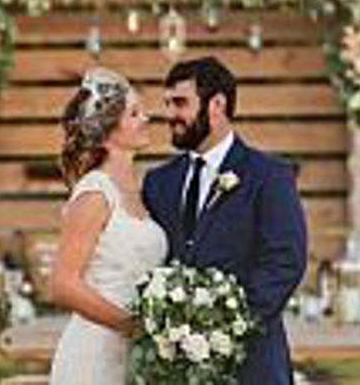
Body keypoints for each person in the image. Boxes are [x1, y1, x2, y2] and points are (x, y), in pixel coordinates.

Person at [143, 56, 307, 385]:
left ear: (216, 105)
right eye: (167, 104)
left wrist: (222, 328)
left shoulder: (269, 176)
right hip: (174, 368)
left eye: (180, 103)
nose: (170, 115)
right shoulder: (158, 182)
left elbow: (285, 262)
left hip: (253, 363)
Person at [49, 67, 167, 384]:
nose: (147, 118)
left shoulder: (139, 192)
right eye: (134, 113)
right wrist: (131, 325)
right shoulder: (95, 193)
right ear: (109, 129)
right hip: (95, 355)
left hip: (135, 355)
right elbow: (62, 284)